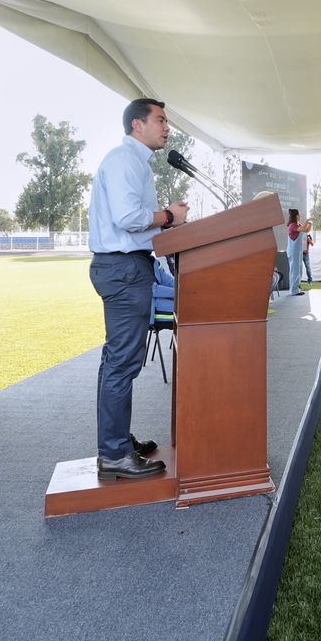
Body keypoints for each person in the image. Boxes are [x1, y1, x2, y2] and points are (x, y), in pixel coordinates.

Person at [87, 97, 187, 480]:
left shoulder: (133, 163)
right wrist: (169, 217)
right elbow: (128, 218)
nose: (167, 128)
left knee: (119, 361)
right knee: (122, 362)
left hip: (128, 267)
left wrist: (165, 223)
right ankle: (113, 454)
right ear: (137, 126)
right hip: (123, 269)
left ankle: (116, 442)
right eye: (160, 120)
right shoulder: (125, 161)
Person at [286, 209, 310, 296]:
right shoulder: (293, 225)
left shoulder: (297, 224)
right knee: (294, 271)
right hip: (293, 251)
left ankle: (297, 289)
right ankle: (293, 291)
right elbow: (304, 229)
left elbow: (306, 230)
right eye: (299, 213)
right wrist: (307, 220)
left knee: (298, 270)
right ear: (297, 216)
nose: (301, 214)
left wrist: (310, 223)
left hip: (297, 251)